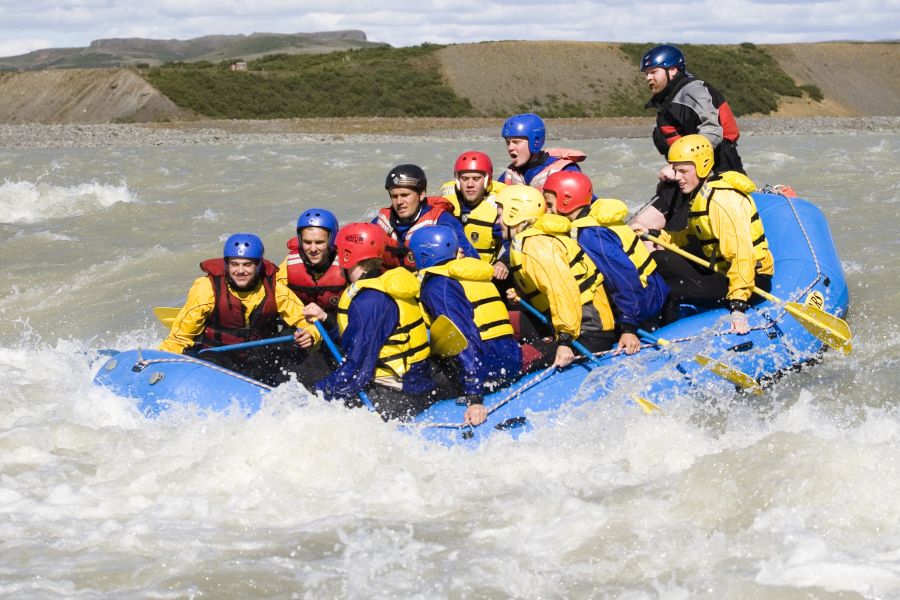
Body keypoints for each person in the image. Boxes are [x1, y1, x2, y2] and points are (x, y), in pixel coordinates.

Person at [632, 135, 774, 334]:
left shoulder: (723, 202)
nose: (677, 177)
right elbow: (686, 237)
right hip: (719, 270)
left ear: (703, 166)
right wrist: (652, 234)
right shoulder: (702, 194)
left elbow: (742, 256)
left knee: (670, 291)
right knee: (659, 258)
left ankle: (658, 337)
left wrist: (738, 306)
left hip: (750, 280)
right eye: (675, 170)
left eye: (683, 171)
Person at [311, 222, 438, 420]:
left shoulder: (370, 301)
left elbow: (358, 371)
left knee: (315, 396)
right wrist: (327, 321)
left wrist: (316, 393)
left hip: (396, 395)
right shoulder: (385, 285)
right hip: (415, 384)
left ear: (347, 255)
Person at [159, 233, 321, 385]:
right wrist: (159, 360)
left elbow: (306, 321)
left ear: (258, 266)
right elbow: (180, 338)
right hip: (217, 357)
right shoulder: (206, 289)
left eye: (247, 265)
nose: (240, 271)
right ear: (226, 265)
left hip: (260, 359)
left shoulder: (276, 290)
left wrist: (310, 334)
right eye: (234, 264)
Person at [543, 171, 669, 355]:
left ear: (566, 199)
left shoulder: (591, 234)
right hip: (652, 293)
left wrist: (628, 328)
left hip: (644, 304)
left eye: (549, 205)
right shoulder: (593, 220)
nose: (547, 211)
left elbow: (623, 278)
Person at [409, 225, 522, 426]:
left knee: (413, 378)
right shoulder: (469, 274)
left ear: (423, 254)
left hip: (486, 370)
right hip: (510, 360)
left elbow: (464, 337)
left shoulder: (439, 285)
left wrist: (474, 396)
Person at [495, 184, 616, 369]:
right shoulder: (530, 240)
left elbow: (562, 291)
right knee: (498, 322)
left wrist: (565, 342)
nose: (496, 221)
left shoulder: (536, 246)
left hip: (588, 334)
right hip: (567, 326)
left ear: (513, 213)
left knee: (511, 362)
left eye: (499, 215)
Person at [634, 44, 744, 233]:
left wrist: (678, 165)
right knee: (638, 225)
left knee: (675, 234)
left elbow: (712, 130)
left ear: (673, 70)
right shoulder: (667, 103)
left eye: (653, 72)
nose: (648, 78)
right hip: (686, 178)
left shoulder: (694, 91)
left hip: (718, 172)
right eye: (646, 74)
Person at [373, 163, 478, 270]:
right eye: (394, 196)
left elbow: (472, 263)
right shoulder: (380, 223)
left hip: (427, 284)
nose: (399, 202)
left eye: (405, 195)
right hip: (389, 283)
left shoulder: (443, 221)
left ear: (421, 194)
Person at [439, 151, 509, 279]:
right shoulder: (445, 205)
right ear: (458, 181)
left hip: (484, 276)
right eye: (465, 179)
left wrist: (503, 262)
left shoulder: (497, 211)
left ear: (487, 181)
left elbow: (512, 242)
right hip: (451, 275)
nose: (470, 184)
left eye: (476, 179)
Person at [278, 208, 346, 321]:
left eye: (319, 242)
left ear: (332, 240)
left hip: (334, 321)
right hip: (301, 322)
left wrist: (326, 318)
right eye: (307, 242)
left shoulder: (346, 265)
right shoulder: (289, 264)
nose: (313, 249)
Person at [497, 113, 586, 191]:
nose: (510, 147)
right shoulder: (510, 174)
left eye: (516, 142)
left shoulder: (565, 171)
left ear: (535, 142)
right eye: (508, 142)